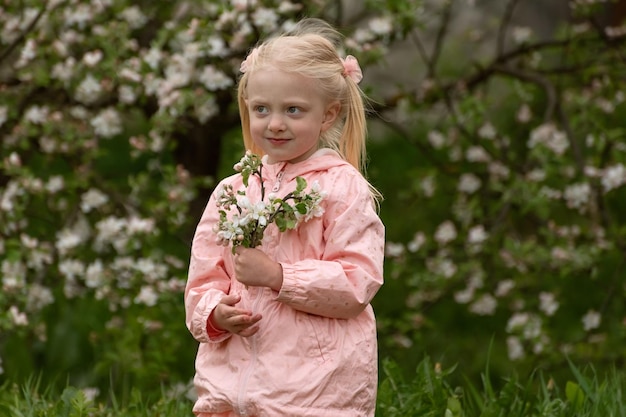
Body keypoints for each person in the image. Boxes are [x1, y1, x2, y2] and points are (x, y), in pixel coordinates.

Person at [184, 17, 385, 417]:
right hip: (229, 386)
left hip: (315, 392)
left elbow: (357, 281)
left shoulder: (342, 189)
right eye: (262, 109)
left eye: (293, 110)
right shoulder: (232, 191)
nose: (275, 123)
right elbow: (202, 281)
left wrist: (280, 276)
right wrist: (215, 314)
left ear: (328, 115)